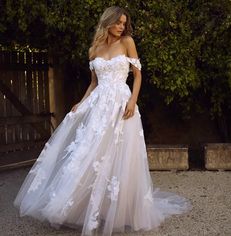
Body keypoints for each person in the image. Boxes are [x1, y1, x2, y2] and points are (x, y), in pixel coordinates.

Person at [13, 6, 192, 236]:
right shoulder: (94, 48)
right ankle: (85, 206)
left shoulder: (127, 42)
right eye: (118, 23)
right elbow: (94, 83)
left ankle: (121, 210)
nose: (121, 27)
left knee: (119, 155)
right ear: (108, 22)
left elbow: (138, 76)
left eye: (124, 23)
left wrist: (132, 101)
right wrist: (81, 101)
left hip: (121, 104)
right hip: (98, 105)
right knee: (91, 154)